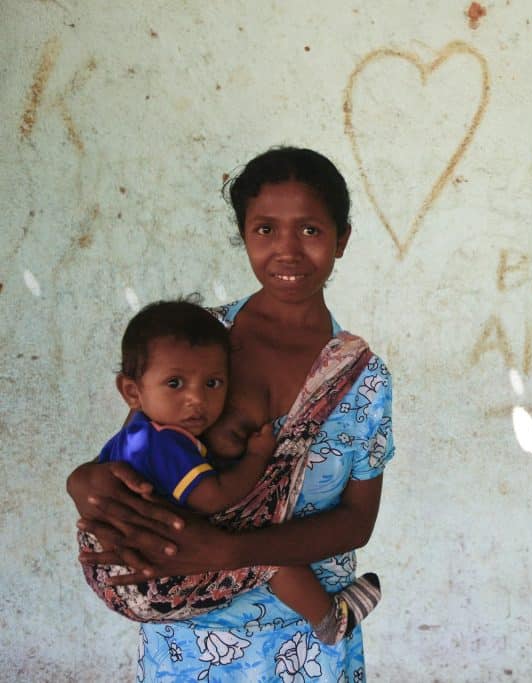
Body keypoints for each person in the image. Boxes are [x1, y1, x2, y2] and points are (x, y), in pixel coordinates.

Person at [67, 146, 395, 682]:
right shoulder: (194, 340)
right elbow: (140, 445)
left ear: (342, 239)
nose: (286, 251)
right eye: (265, 230)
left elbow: (357, 521)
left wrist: (231, 549)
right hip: (191, 642)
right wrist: (83, 481)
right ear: (244, 235)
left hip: (308, 641)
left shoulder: (362, 379)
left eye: (310, 231)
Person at [83, 298, 380, 645]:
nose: (196, 399)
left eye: (212, 384)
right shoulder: (164, 442)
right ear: (132, 391)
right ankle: (330, 619)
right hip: (148, 577)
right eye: (175, 384)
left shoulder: (138, 432)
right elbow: (213, 498)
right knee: (271, 555)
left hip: (129, 570)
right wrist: (257, 457)